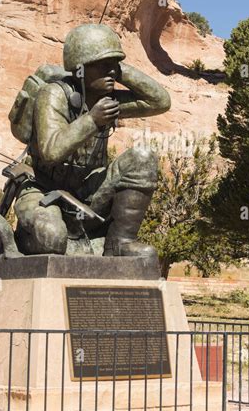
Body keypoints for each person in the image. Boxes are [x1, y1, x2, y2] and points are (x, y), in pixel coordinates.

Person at [13, 23, 171, 258]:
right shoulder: (54, 94)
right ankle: (38, 240)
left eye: (115, 66)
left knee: (142, 158)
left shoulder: (107, 100)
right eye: (104, 66)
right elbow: (51, 151)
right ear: (80, 69)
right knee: (51, 238)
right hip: (42, 190)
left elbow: (160, 102)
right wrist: (92, 119)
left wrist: (118, 67)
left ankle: (119, 244)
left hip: (86, 193)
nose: (112, 73)